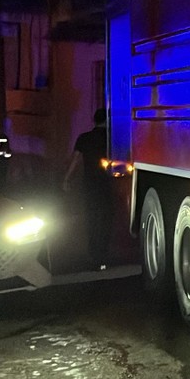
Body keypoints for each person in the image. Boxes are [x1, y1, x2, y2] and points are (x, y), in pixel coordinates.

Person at [64, 109, 113, 270]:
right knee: (105, 219)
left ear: (94, 120)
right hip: (107, 183)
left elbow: (75, 160)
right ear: (107, 120)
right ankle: (103, 255)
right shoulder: (111, 137)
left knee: (92, 218)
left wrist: (67, 179)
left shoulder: (84, 138)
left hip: (90, 183)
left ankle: (93, 254)